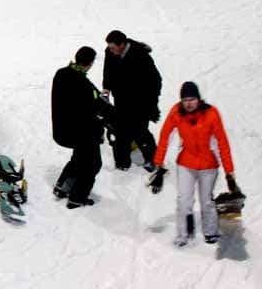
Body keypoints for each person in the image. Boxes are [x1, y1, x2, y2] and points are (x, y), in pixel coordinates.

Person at [148, 82, 238, 246]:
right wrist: (158, 165)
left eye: (192, 99)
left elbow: (222, 142)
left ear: (199, 99)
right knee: (184, 200)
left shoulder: (211, 113)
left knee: (206, 201)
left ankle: (211, 232)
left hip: (208, 164)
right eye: (185, 100)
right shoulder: (176, 112)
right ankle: (183, 234)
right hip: (186, 163)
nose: (189, 103)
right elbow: (164, 136)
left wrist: (229, 172)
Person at [51, 46, 111, 208]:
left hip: (62, 130)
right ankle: (77, 198)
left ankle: (62, 187)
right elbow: (92, 108)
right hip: (80, 133)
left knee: (79, 158)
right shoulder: (82, 83)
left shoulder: (61, 74)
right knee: (93, 163)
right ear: (90, 63)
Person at [101, 30, 161, 171]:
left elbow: (155, 82)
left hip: (140, 102)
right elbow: (108, 71)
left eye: (113, 48)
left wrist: (152, 105)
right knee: (120, 131)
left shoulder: (141, 56)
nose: (110, 51)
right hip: (121, 99)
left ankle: (152, 159)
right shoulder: (110, 52)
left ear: (122, 45)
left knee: (140, 131)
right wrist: (106, 90)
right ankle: (122, 164)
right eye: (109, 48)